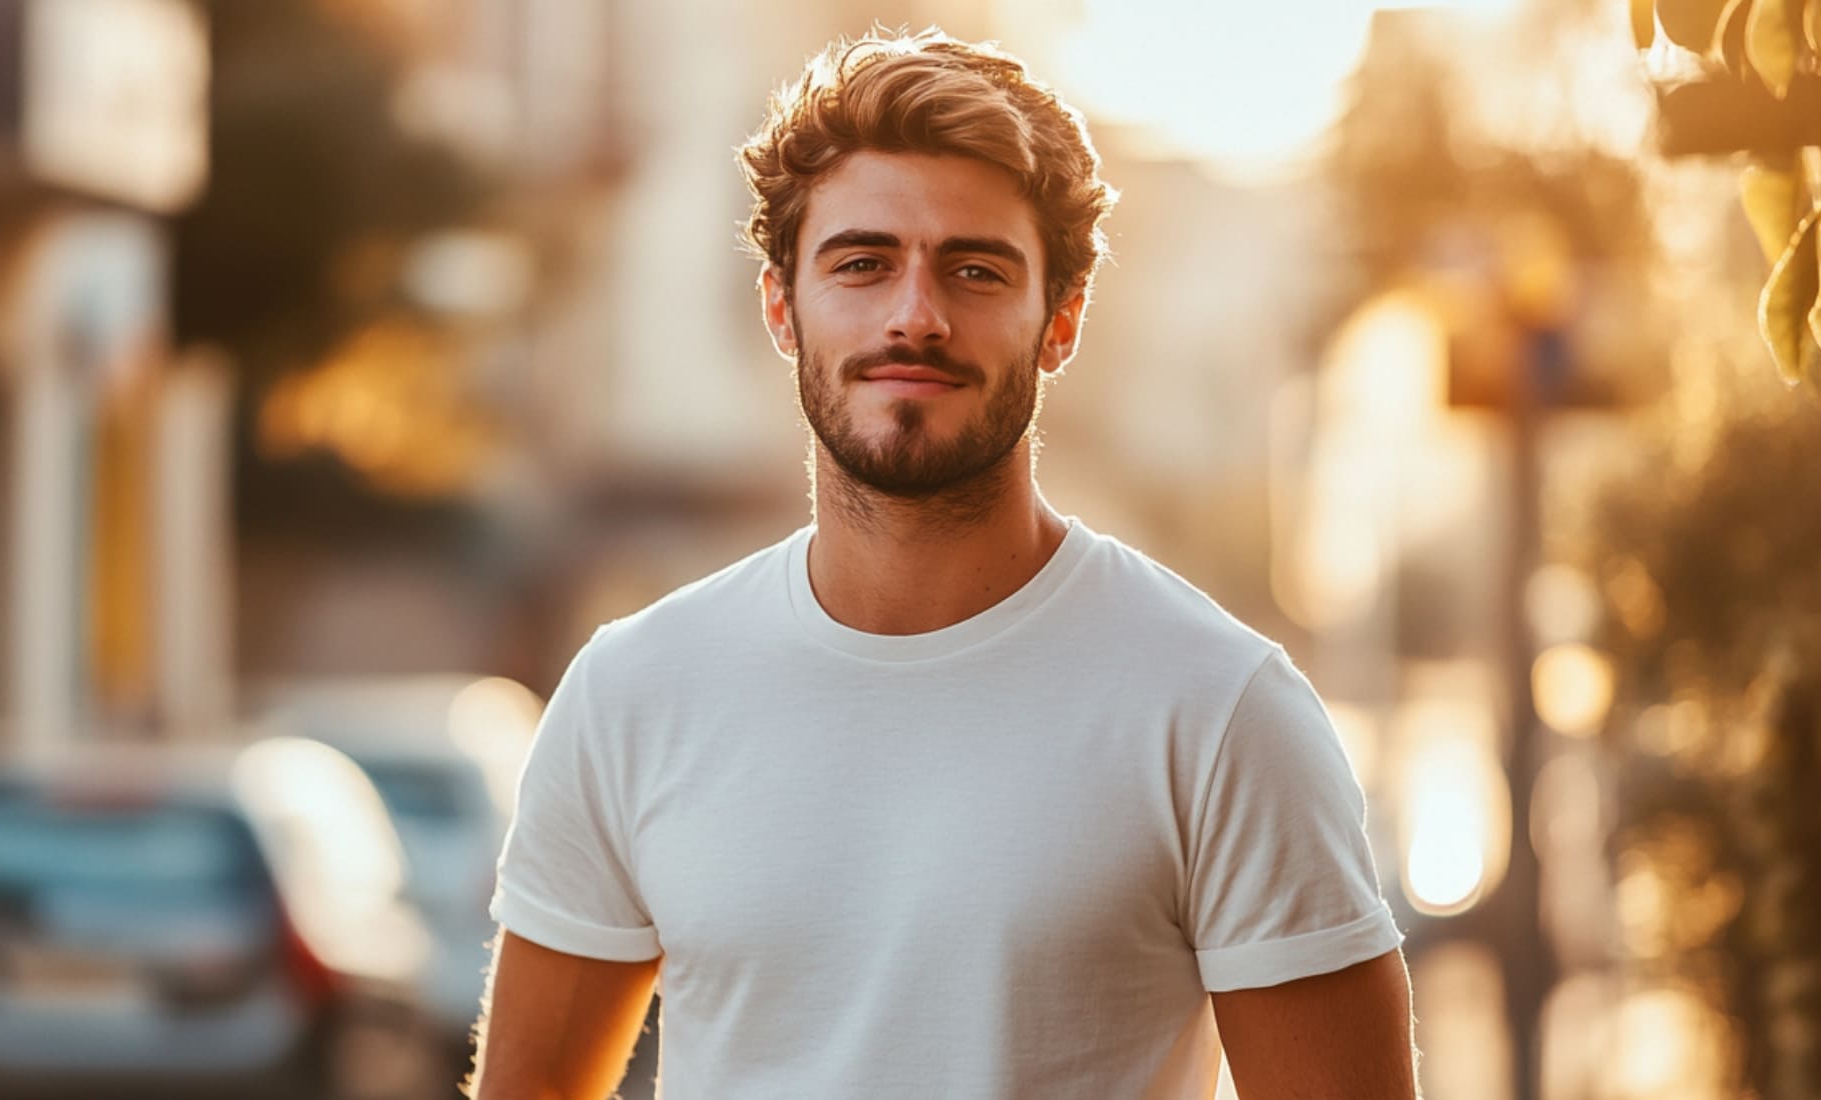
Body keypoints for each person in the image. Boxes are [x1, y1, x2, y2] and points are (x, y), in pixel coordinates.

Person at [470, 27, 1416, 1100]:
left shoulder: (1216, 707)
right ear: (780, 305)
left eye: (974, 269)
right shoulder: (631, 692)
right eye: (861, 263)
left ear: (1058, 320)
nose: (913, 315)